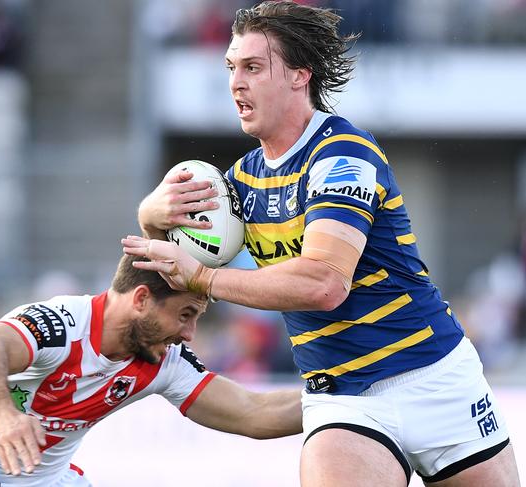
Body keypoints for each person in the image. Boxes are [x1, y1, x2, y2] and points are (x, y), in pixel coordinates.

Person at [126, 2, 521, 486]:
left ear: (299, 75)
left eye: (253, 66)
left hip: (436, 377)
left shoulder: (343, 154)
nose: (235, 82)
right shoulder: (238, 184)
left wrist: (206, 277)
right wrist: (151, 217)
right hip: (342, 398)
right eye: (231, 67)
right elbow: (176, 275)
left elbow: (324, 284)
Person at [0, 254, 301, 487]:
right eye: (185, 315)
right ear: (142, 299)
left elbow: (253, 413)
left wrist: (346, 403)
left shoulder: (162, 360)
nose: (188, 334)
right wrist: (2, 415)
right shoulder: (62, 325)